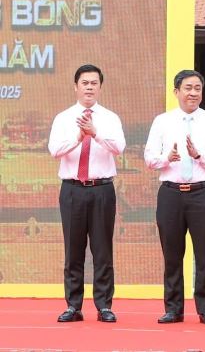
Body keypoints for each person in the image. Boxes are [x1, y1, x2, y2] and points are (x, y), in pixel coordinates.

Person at [144, 70, 205, 325]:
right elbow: (149, 158)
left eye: (197, 88)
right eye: (188, 88)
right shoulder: (162, 121)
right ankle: (173, 309)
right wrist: (165, 159)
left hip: (202, 193)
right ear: (176, 92)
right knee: (172, 255)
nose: (193, 93)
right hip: (171, 193)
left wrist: (199, 155)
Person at [48, 64, 125, 323]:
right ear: (76, 86)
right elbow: (55, 150)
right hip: (72, 190)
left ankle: (104, 305)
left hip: (102, 189)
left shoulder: (110, 118)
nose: (89, 86)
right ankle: (73, 306)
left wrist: (96, 133)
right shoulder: (63, 117)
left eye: (94, 82)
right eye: (85, 82)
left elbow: (119, 147)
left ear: (100, 86)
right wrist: (79, 138)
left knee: (103, 249)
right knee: (74, 250)